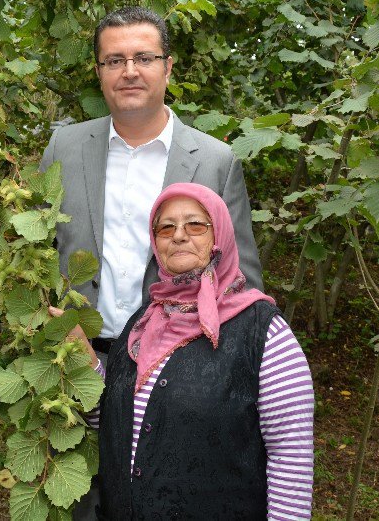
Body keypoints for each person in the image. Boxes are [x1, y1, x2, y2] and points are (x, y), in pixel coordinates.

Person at [59, 183, 314, 519]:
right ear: (155, 243)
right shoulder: (142, 324)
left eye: (195, 225)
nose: (179, 235)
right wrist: (85, 362)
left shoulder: (262, 331)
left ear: (218, 235)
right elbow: (109, 425)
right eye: (166, 227)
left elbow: (291, 458)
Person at [40, 6, 263, 361]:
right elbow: (35, 248)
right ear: (99, 73)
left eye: (144, 58)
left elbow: (241, 282)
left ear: (168, 68)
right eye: (114, 61)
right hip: (75, 356)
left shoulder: (215, 161)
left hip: (178, 362)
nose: (129, 72)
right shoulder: (64, 150)